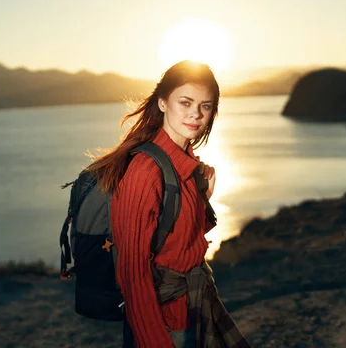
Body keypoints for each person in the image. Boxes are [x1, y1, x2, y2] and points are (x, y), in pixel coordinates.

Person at [86, 61, 251, 348]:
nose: (196, 114)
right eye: (185, 102)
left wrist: (203, 199)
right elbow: (133, 273)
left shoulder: (186, 167)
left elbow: (179, 243)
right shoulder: (145, 171)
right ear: (162, 103)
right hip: (164, 323)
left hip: (195, 307)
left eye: (206, 106)